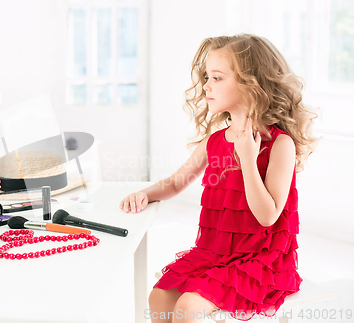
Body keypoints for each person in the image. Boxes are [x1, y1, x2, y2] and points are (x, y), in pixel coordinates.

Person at [119, 34, 317, 322]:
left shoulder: (279, 144)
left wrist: (248, 159)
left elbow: (267, 216)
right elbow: (176, 182)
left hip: (261, 262)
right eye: (206, 77)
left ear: (251, 84)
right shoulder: (214, 142)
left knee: (188, 306)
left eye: (217, 78)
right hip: (215, 253)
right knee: (159, 296)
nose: (206, 86)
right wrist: (146, 194)